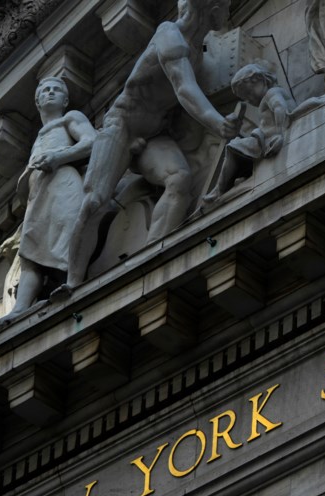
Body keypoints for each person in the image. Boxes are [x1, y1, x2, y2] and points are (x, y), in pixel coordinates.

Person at [49, 0, 240, 303]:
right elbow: (184, 91)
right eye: (223, 6)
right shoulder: (169, 34)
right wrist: (219, 124)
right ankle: (72, 282)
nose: (227, 11)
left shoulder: (195, 52)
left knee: (179, 179)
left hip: (153, 135)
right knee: (95, 201)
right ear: (208, 8)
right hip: (121, 127)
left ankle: (150, 257)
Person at [0, 77, 96, 333]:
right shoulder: (40, 135)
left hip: (63, 185)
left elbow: (91, 141)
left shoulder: (71, 118)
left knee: (67, 232)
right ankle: (19, 310)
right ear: (37, 102)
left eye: (56, 90)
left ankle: (72, 281)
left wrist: (58, 157)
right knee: (30, 254)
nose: (50, 93)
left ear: (65, 100)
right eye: (44, 90)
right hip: (39, 196)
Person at [203, 62, 295, 203]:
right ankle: (230, 182)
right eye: (245, 97)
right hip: (264, 139)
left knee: (233, 148)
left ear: (260, 80)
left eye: (249, 93)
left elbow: (280, 108)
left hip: (267, 140)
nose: (249, 99)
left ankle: (220, 189)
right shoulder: (272, 94)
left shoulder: (272, 94)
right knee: (238, 149)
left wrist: (282, 134)